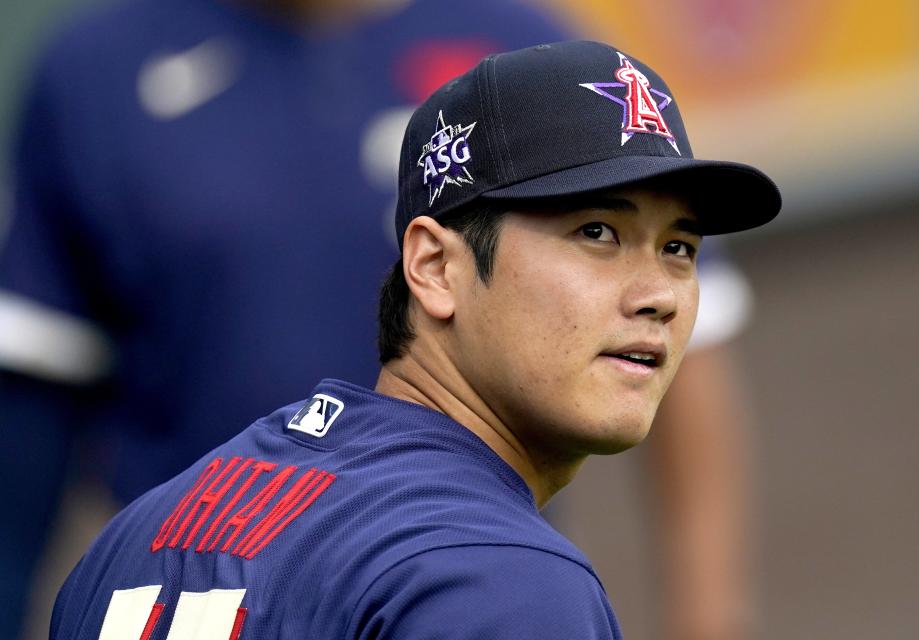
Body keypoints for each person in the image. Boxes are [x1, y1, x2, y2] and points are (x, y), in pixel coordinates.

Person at [50, 40, 780, 638]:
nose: (657, 295)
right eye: (597, 232)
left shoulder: (140, 535)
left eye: (679, 248)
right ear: (435, 267)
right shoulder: (498, 580)